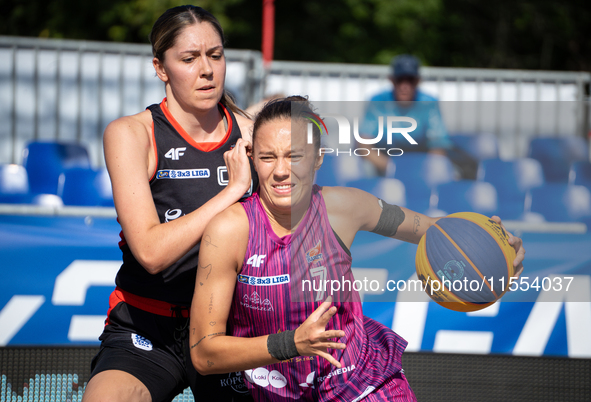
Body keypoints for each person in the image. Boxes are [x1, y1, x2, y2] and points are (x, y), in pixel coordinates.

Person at [189, 96, 525, 401]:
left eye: (295, 156)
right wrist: (292, 344)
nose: (280, 171)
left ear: (318, 158)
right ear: (251, 158)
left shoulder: (344, 206)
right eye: (267, 157)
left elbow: (439, 234)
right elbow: (205, 354)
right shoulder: (229, 230)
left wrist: (498, 248)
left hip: (363, 385)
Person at [82, 5, 257, 402]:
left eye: (215, 55)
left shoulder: (251, 134)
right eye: (190, 58)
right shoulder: (131, 133)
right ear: (161, 68)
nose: (207, 70)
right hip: (147, 329)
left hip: (227, 329)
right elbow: (151, 252)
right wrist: (231, 192)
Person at [358, 54, 464, 176]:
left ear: (418, 81)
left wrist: (421, 169)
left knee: (451, 172)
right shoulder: (377, 102)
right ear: (391, 80)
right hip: (384, 163)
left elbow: (438, 145)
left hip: (421, 165)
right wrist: (392, 168)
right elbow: (364, 145)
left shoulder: (429, 103)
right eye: (400, 80)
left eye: (410, 80)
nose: (405, 86)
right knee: (365, 169)